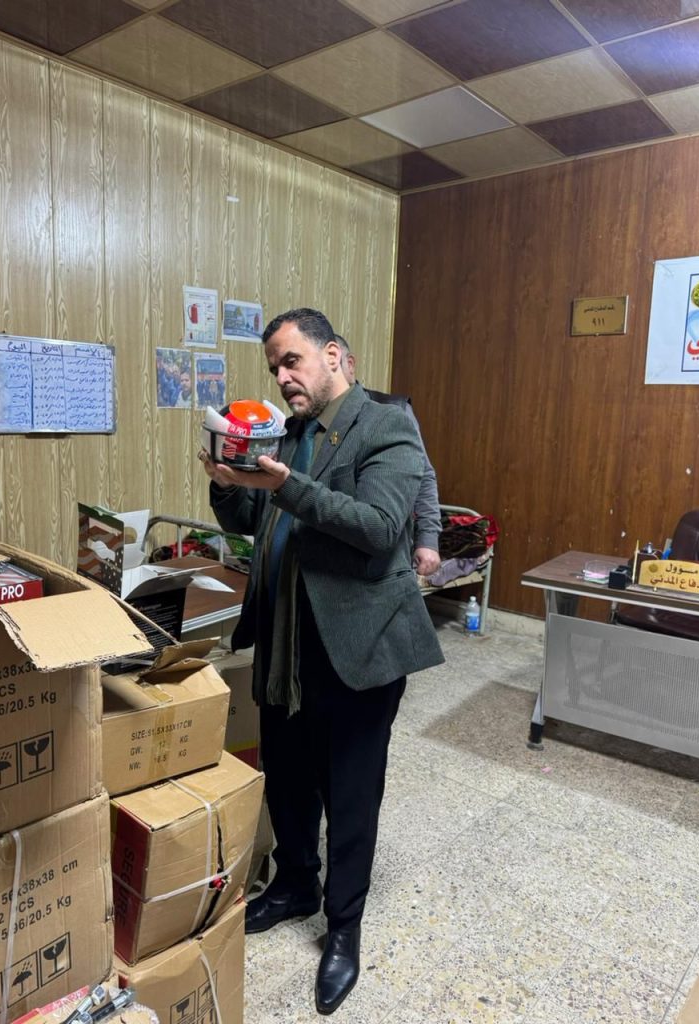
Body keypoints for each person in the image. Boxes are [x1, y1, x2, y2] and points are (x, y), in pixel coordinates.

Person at [199, 308, 444, 1015]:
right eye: (274, 367)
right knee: (288, 776)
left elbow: (378, 527)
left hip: (357, 648)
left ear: (332, 355)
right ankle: (294, 884)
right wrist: (228, 481)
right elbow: (252, 522)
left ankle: (343, 925)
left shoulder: (385, 426)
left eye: (292, 361)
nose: (282, 377)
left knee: (351, 794)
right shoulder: (287, 434)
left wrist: (283, 486)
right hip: (285, 643)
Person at [335, 333, 442, 578]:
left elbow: (424, 475)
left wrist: (428, 539)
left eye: (334, 366)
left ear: (349, 365)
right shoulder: (311, 419)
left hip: (387, 548)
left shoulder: (393, 410)